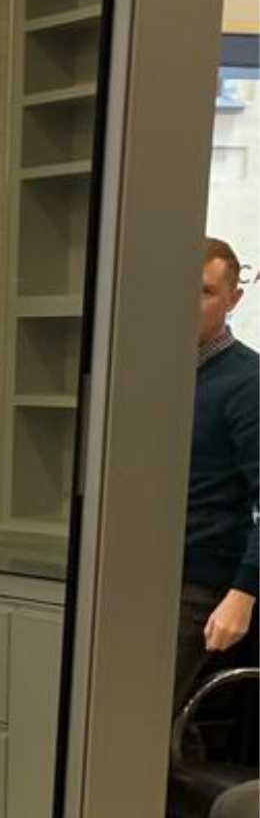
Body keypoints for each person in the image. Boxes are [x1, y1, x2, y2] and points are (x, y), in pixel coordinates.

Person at [177, 237, 258, 714]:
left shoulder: (248, 382)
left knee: (138, 714)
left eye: (206, 291)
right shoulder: (150, 374)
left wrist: (242, 594)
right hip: (139, 570)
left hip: (200, 583)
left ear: (234, 298)